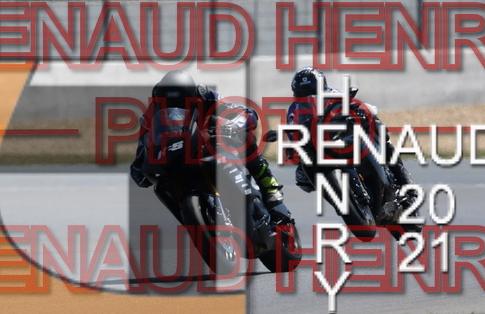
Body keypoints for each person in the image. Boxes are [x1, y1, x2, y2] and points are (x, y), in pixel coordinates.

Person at [130, 70, 284, 210]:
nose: (175, 110)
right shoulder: (154, 108)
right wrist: (138, 165)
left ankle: (269, 184)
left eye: (182, 104)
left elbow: (245, 113)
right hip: (175, 153)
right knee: (161, 183)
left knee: (245, 136)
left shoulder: (206, 95)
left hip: (208, 142)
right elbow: (144, 140)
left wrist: (234, 125)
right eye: (168, 104)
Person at [287, 66, 416, 205]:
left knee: (375, 119)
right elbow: (293, 133)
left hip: (344, 134)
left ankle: (404, 180)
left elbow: (358, 105)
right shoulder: (294, 111)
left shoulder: (334, 94)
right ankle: (339, 202)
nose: (309, 98)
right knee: (303, 176)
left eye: (312, 92)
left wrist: (359, 112)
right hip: (320, 145)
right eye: (302, 94)